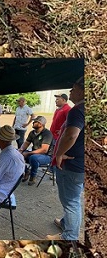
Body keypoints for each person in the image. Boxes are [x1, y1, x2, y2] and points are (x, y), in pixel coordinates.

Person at [48, 77, 85, 241]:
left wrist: (59, 154)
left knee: (71, 202)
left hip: (72, 164)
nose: (70, 91)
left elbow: (71, 135)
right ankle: (65, 222)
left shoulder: (78, 110)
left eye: (73, 88)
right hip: (82, 163)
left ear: (83, 90)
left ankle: (70, 236)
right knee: (73, 198)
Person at [18, 116, 53, 186]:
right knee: (17, 154)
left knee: (33, 158)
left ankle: (33, 176)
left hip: (46, 156)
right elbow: (26, 143)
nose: (33, 123)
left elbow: (44, 150)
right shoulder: (32, 133)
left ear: (40, 124)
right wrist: (20, 150)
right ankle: (26, 171)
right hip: (34, 153)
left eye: (35, 122)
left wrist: (28, 153)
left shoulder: (47, 134)